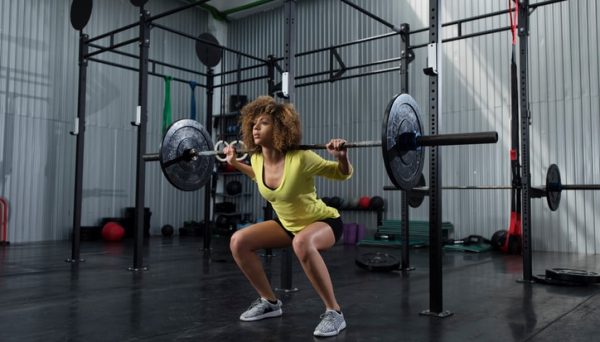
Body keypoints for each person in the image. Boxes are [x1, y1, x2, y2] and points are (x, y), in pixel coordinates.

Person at [223, 95, 353, 337]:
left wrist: (342, 157)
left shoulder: (301, 158)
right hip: (288, 225)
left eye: (264, 123)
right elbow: (258, 176)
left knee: (301, 242)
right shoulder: (257, 158)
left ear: (280, 127)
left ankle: (334, 312)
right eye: (254, 124)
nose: (256, 128)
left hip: (322, 222)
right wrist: (235, 163)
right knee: (239, 241)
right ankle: (269, 302)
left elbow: (341, 174)